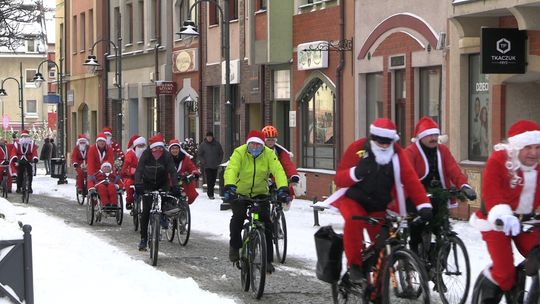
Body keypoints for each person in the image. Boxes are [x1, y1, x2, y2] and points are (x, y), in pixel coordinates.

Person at [326, 118, 432, 283]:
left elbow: (411, 180)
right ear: (372, 137)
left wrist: (423, 204)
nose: (383, 145)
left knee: (383, 245)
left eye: (387, 142)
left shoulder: (397, 154)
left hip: (379, 204)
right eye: (380, 141)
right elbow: (339, 178)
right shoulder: (358, 148)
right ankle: (354, 265)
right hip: (354, 199)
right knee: (354, 221)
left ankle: (377, 292)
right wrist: (356, 172)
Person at [469, 119, 540, 301]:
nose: (534, 153)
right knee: (505, 274)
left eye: (538, 147)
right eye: (528, 147)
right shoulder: (499, 160)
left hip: (526, 221)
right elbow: (491, 193)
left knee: (537, 255)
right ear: (516, 147)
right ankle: (487, 295)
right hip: (496, 221)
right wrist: (503, 215)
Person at [404, 116, 477, 252]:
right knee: (417, 228)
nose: (433, 138)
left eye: (436, 134)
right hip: (416, 196)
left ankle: (436, 263)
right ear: (421, 137)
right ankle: (414, 255)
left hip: (439, 195)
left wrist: (464, 186)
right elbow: (408, 177)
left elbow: (453, 170)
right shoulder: (411, 152)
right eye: (429, 135)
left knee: (443, 234)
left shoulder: (442, 151)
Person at [223, 130, 290, 274]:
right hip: (240, 192)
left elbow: (278, 171)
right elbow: (232, 169)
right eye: (252, 144)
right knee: (238, 217)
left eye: (258, 145)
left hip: (260, 193)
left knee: (266, 224)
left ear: (262, 145)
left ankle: (268, 260)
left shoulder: (269, 154)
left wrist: (283, 189)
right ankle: (235, 246)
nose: (254, 147)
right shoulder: (239, 153)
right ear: (247, 144)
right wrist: (230, 186)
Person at [134, 134, 181, 251]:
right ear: (151, 148)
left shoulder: (166, 155)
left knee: (165, 199)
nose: (158, 151)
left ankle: (163, 217)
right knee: (145, 212)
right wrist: (138, 183)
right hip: (147, 183)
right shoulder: (146, 154)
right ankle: (143, 239)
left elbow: (173, 171)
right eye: (155, 148)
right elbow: (139, 170)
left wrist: (175, 185)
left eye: (160, 148)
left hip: (162, 183)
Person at [261, 125, 300, 210]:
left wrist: (293, 175)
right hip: (262, 178)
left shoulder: (280, 151)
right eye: (268, 140)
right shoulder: (258, 150)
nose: (271, 142)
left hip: (276, 178)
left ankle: (279, 210)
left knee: (283, 192)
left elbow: (287, 164)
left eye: (273, 140)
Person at [168, 139, 200, 204]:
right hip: (169, 183)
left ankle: (184, 207)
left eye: (176, 148)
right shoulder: (166, 159)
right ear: (170, 150)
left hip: (182, 181)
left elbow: (192, 167)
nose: (175, 150)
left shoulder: (185, 158)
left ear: (179, 149)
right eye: (173, 148)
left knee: (189, 193)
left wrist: (195, 173)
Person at [121, 134, 146, 210]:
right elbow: (126, 163)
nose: (141, 148)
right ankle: (129, 201)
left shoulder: (146, 153)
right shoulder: (131, 153)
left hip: (144, 175)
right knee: (129, 186)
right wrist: (124, 172)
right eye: (139, 146)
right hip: (131, 176)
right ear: (135, 146)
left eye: (142, 146)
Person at [197, 131, 223, 199]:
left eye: (210, 137)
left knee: (213, 180)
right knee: (209, 180)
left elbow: (221, 153)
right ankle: (210, 194)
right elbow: (199, 154)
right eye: (208, 137)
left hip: (215, 165)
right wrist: (203, 161)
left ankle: (211, 192)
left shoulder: (217, 144)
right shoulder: (203, 145)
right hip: (207, 166)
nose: (209, 138)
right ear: (206, 137)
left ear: (212, 137)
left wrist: (219, 161)